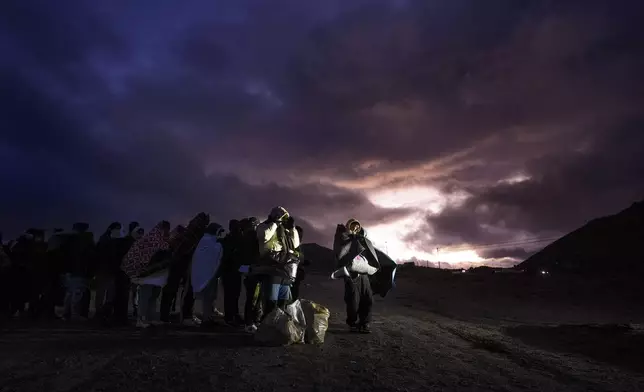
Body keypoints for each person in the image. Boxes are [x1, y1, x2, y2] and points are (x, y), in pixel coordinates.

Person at [160, 213, 209, 325]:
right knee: (184, 291)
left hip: (179, 263)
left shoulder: (187, 232)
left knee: (173, 290)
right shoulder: (195, 234)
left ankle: (166, 315)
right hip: (184, 264)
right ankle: (182, 316)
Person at [121, 221, 171, 327]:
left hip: (157, 275)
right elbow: (142, 256)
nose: (167, 230)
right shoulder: (150, 240)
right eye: (165, 228)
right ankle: (141, 319)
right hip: (147, 275)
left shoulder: (162, 240)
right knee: (145, 296)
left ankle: (150, 318)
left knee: (153, 296)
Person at [253, 206, 300, 318]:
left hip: (284, 271)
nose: (283, 220)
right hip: (271, 269)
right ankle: (268, 326)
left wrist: (292, 229)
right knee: (271, 302)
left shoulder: (284, 231)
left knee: (283, 302)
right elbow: (264, 237)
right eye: (282, 217)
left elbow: (295, 244)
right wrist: (274, 223)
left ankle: (280, 325)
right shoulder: (263, 227)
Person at [333, 218, 378, 334]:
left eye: (358, 226)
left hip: (363, 274)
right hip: (351, 274)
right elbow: (341, 251)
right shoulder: (343, 237)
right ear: (348, 226)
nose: (356, 228)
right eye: (353, 225)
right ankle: (352, 323)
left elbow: (369, 250)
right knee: (353, 300)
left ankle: (364, 323)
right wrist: (351, 238)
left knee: (368, 298)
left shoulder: (360, 239)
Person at [190, 222, 225, 327]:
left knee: (210, 297)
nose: (220, 235)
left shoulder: (209, 241)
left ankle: (208, 317)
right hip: (206, 273)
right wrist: (219, 245)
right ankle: (206, 319)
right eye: (219, 232)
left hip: (209, 273)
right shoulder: (206, 240)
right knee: (207, 297)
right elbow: (210, 255)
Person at [60, 223, 95, 321]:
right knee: (77, 293)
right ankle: (75, 315)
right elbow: (89, 256)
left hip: (70, 272)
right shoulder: (84, 241)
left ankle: (66, 314)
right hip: (80, 271)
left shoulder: (68, 240)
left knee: (70, 293)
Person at [219, 219, 244, 326]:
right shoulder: (234, 240)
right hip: (231, 271)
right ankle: (230, 316)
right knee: (231, 295)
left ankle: (232, 315)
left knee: (233, 295)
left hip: (231, 271)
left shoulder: (228, 239)